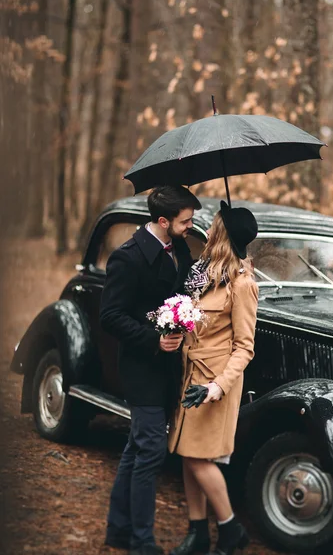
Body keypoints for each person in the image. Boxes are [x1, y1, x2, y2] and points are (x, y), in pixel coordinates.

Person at [100, 185, 202, 555]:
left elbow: (191, 284)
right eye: (185, 221)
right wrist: (153, 339)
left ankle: (118, 529)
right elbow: (110, 315)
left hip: (169, 368)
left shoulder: (181, 248)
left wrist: (233, 264)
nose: (191, 226)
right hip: (140, 365)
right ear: (163, 221)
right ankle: (140, 541)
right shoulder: (127, 258)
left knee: (136, 449)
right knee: (151, 451)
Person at [168, 200, 259, 555]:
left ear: (222, 233)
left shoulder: (242, 282)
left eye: (217, 223)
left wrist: (216, 387)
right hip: (191, 374)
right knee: (188, 453)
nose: (210, 226)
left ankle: (230, 528)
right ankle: (197, 533)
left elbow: (244, 347)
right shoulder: (205, 272)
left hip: (215, 384)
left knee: (196, 457)